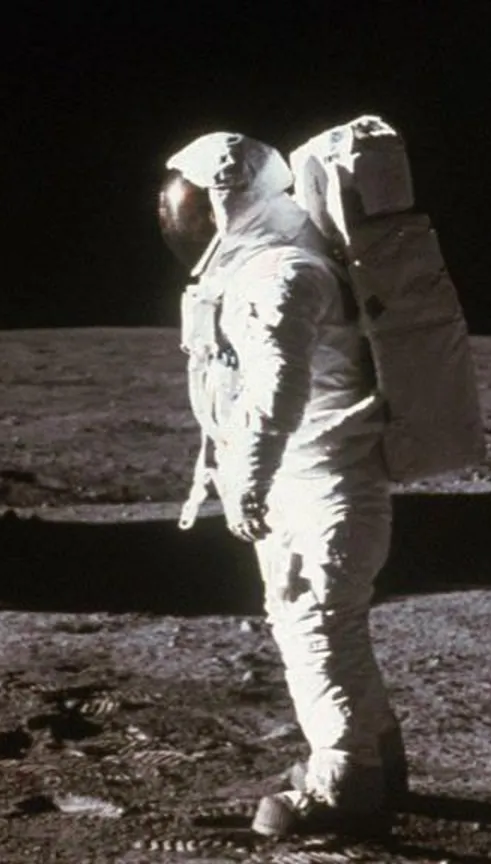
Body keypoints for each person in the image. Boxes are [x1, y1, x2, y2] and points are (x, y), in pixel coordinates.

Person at [160, 131, 407, 838]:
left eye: (190, 208)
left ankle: (345, 787)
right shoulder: (270, 269)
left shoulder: (279, 276)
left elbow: (277, 389)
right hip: (320, 480)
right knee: (330, 625)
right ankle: (380, 760)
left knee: (314, 627)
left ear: (226, 207)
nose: (179, 222)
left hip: (323, 484)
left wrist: (249, 477)